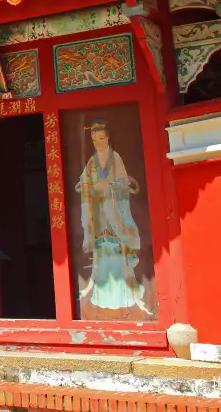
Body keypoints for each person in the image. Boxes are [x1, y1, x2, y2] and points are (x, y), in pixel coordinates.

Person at [74, 120, 151, 317]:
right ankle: (101, 295)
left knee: (118, 254)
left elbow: (123, 183)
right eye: (94, 139)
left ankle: (125, 295)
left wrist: (110, 187)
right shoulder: (92, 161)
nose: (98, 142)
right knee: (102, 254)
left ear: (108, 137)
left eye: (101, 138)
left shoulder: (115, 157)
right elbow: (84, 181)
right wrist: (86, 187)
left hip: (115, 213)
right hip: (99, 213)